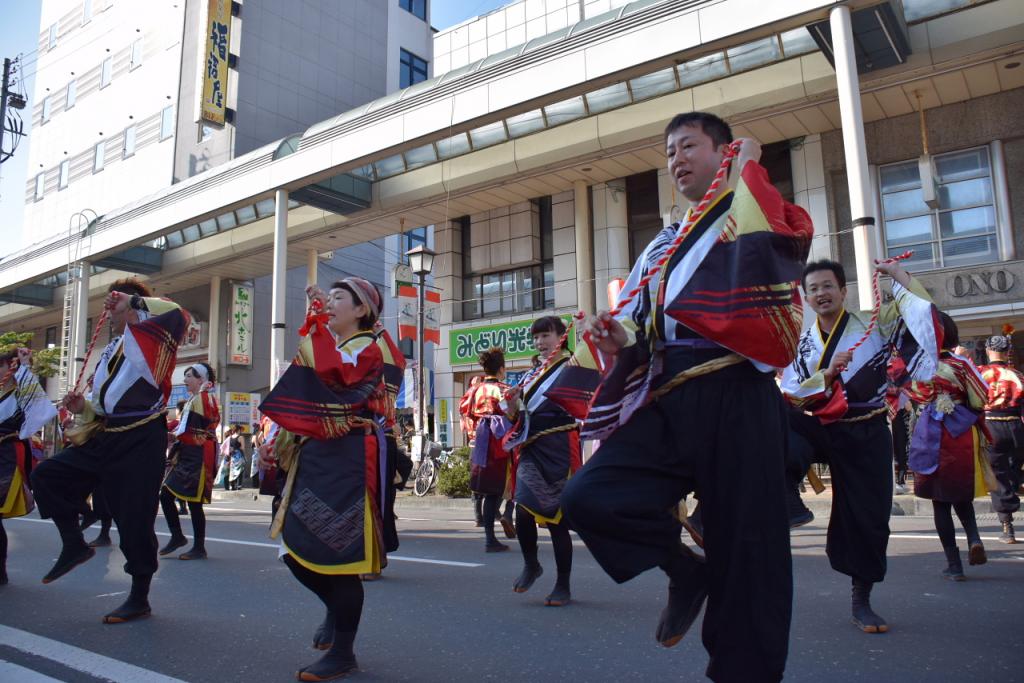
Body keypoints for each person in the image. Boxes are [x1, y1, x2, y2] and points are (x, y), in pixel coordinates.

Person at [554, 112, 812, 682]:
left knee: (751, 556)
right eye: (669, 151)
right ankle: (682, 568)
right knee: (589, 497)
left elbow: (785, 240)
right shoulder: (661, 246)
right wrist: (620, 340)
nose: (676, 160)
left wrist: (750, 162)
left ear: (722, 152)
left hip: (738, 393)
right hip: (669, 399)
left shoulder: (745, 208)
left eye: (689, 145)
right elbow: (645, 332)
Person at [780, 257, 935, 634]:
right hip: (822, 426)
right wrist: (827, 374)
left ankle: (861, 599)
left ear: (843, 291)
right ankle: (789, 499)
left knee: (868, 518)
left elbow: (922, 322)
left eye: (827, 286)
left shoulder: (874, 323)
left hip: (866, 430)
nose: (821, 294)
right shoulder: (803, 341)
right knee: (772, 415)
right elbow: (791, 390)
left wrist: (898, 276)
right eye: (813, 289)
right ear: (806, 296)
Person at [31, 279, 189, 623]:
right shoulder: (113, 348)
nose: (108, 309)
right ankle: (74, 543)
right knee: (46, 475)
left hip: (141, 437)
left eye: (113, 303)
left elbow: (177, 312)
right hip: (107, 434)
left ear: (134, 306)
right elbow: (104, 406)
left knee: (134, 518)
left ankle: (139, 597)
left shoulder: (156, 340)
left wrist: (133, 299)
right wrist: (83, 407)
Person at [258, 277, 388, 681]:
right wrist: (276, 438)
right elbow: (305, 398)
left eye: (338, 299)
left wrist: (315, 326)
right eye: (326, 298)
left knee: (342, 557)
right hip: (315, 453)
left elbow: (339, 378)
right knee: (293, 547)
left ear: (362, 310)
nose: (328, 304)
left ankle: (344, 650)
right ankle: (335, 609)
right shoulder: (327, 344)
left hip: (349, 455)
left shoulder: (371, 347)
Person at [903, 313, 991, 579]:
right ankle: (974, 537)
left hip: (930, 432)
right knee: (961, 493)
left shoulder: (919, 366)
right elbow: (980, 397)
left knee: (940, 502)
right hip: (960, 432)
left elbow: (914, 395)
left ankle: (954, 566)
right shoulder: (961, 363)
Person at [504, 316, 580, 606]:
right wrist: (511, 407)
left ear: (561, 335)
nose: (540, 342)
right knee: (522, 509)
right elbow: (519, 415)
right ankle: (531, 564)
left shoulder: (574, 366)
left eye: (545, 335)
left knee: (555, 520)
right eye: (536, 338)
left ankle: (563, 584)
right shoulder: (531, 373)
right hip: (532, 445)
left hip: (559, 445)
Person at [0, 346, 57, 585]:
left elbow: (38, 406)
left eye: (1, 365)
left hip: (7, 457)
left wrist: (25, 367)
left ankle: (0, 571)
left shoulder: (19, 393)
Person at [159, 362, 220, 560]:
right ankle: (180, 537)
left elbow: (194, 429)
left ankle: (195, 545)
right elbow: (188, 429)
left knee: (190, 502)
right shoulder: (197, 399)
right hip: (191, 453)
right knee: (169, 495)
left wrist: (174, 436)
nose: (185, 380)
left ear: (201, 379)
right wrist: (174, 436)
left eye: (189, 376)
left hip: (199, 455)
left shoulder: (204, 398)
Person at [460, 347, 513, 552]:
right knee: (497, 490)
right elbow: (514, 413)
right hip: (499, 439)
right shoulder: (504, 388)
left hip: (481, 437)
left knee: (488, 489)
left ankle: (490, 535)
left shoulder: (474, 389)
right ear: (501, 369)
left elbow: (465, 411)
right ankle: (491, 538)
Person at [978, 333, 1024, 543]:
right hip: (1016, 425)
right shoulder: (1018, 376)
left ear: (988, 350)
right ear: (1007, 353)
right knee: (1013, 471)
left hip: (991, 425)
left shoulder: (980, 374)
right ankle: (1012, 495)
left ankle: (1007, 525)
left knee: (998, 476)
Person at [225, 425, 245, 491]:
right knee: (240, 470)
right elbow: (243, 448)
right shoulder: (241, 437)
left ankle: (232, 485)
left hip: (233, 456)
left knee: (233, 470)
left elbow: (228, 447)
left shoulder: (230, 437)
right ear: (238, 430)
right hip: (239, 455)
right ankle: (239, 485)